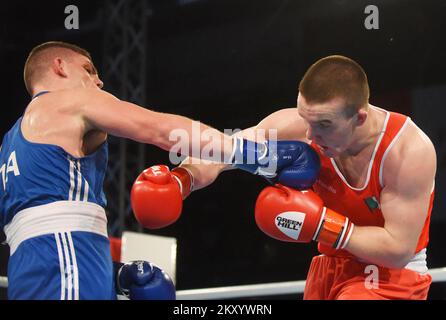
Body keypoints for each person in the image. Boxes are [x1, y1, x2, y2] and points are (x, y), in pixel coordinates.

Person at [135, 55, 437, 300]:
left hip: (389, 276)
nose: (310, 135)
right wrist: (182, 180)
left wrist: (320, 223)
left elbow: (397, 250)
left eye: (323, 124)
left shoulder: (407, 151)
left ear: (358, 116)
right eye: (305, 119)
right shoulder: (298, 127)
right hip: (329, 267)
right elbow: (226, 152)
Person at [0, 40, 253, 300]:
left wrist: (115, 275)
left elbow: (35, 235)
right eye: (88, 70)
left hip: (30, 271)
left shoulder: (9, 147)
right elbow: (160, 130)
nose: (98, 82)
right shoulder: (70, 101)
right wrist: (253, 154)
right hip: (67, 259)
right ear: (60, 66)